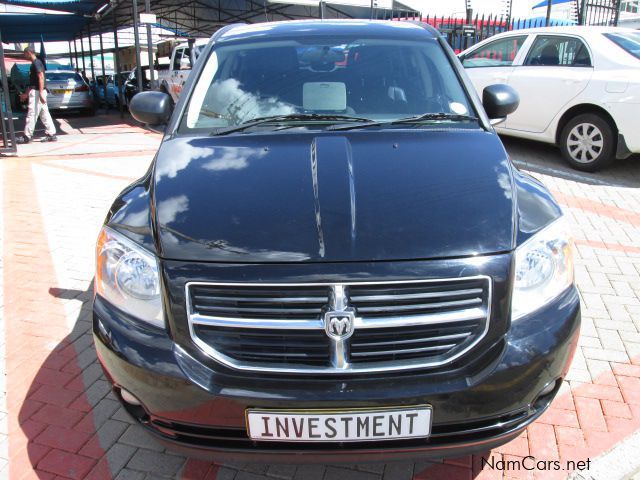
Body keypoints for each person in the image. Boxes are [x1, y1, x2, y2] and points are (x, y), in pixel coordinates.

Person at [16, 47, 57, 144]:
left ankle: (27, 136)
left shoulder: (36, 63)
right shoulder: (35, 63)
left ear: (29, 53)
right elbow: (33, 82)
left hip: (38, 92)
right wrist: (26, 94)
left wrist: (41, 92)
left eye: (25, 54)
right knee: (44, 113)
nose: (24, 56)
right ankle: (51, 134)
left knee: (32, 113)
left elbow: (41, 77)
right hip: (38, 91)